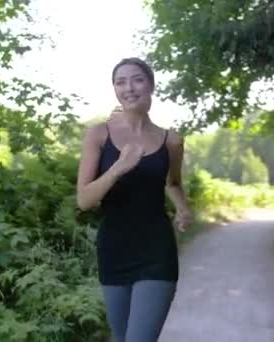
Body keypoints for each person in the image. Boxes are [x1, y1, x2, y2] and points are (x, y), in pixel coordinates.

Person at [76, 57, 193, 342]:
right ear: (114, 89)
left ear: (151, 85)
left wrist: (182, 208)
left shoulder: (171, 141)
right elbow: (84, 200)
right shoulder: (98, 135)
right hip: (114, 249)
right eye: (120, 81)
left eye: (137, 79)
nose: (129, 87)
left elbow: (173, 182)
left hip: (156, 250)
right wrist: (118, 168)